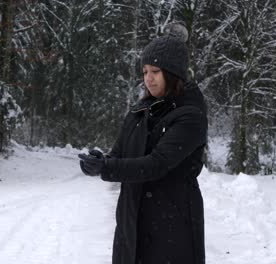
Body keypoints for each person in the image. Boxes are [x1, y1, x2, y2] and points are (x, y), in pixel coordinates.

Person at [78, 24, 207, 264]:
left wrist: (107, 166)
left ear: (173, 73)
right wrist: (99, 161)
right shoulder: (139, 111)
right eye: (145, 71)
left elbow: (156, 164)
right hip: (131, 220)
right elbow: (118, 154)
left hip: (171, 223)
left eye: (155, 71)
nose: (148, 78)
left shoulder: (190, 115)